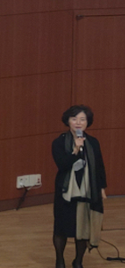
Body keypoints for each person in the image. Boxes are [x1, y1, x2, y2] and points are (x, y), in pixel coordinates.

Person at [52, 105, 107, 268]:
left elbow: (99, 167)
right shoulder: (59, 142)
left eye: (82, 119)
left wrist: (102, 188)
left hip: (88, 191)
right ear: (67, 121)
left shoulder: (93, 142)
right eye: (74, 119)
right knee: (61, 228)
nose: (78, 123)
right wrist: (75, 150)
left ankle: (78, 261)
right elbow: (62, 165)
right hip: (66, 192)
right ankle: (60, 261)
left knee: (82, 229)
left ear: (87, 122)